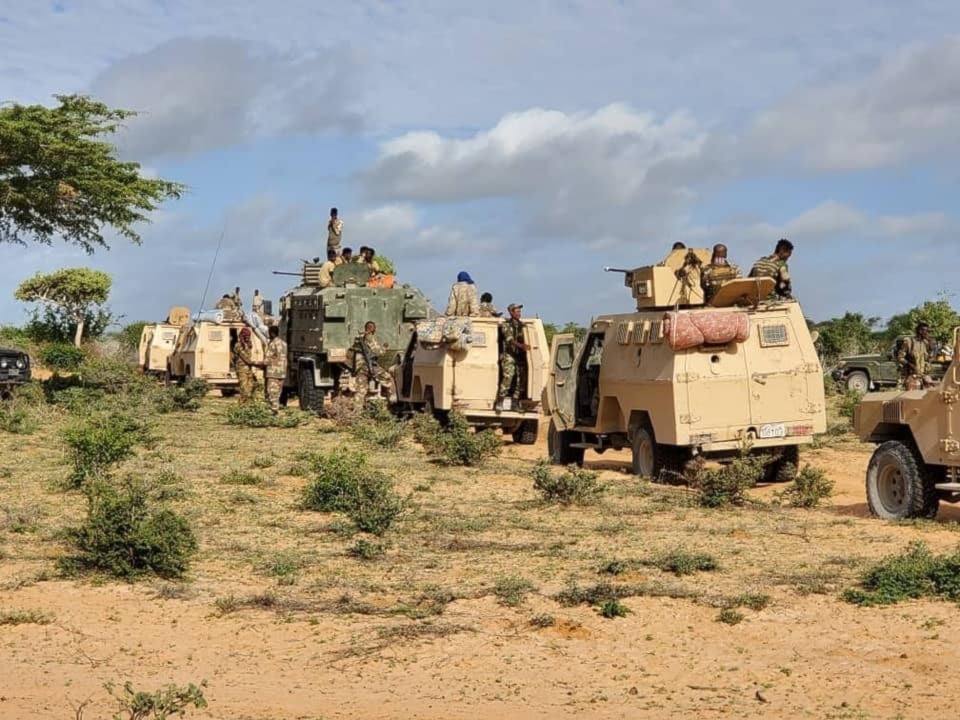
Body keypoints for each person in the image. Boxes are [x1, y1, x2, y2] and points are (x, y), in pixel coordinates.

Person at [352, 321, 395, 408]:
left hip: (360, 368)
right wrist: (384, 347)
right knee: (388, 380)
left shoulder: (360, 339)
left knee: (360, 391)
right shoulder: (369, 338)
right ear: (372, 329)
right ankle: (393, 403)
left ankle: (356, 413)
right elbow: (378, 352)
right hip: (370, 366)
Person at [497, 303, 529, 409]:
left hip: (520, 356)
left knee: (521, 380)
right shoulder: (506, 325)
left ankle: (515, 402)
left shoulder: (522, 326)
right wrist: (521, 346)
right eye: (517, 311)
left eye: (520, 311)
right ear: (511, 312)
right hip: (509, 355)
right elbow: (509, 340)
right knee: (508, 377)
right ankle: (500, 400)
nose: (519, 313)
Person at [256, 325, 287, 414]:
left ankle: (273, 411)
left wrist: (255, 363)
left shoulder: (272, 344)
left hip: (272, 373)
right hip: (282, 372)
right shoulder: (284, 344)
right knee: (278, 393)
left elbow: (267, 361)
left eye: (269, 333)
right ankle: (276, 409)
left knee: (271, 392)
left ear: (272, 333)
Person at [897, 322, 936, 390]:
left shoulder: (925, 343)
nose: (927, 334)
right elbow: (900, 357)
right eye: (926, 331)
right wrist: (910, 365)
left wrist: (930, 346)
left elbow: (929, 358)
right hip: (912, 376)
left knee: (929, 395)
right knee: (912, 397)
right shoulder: (909, 342)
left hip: (924, 375)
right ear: (920, 331)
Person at [232, 327, 256, 404]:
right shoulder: (238, 345)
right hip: (241, 370)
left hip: (248, 370)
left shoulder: (247, 344)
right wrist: (256, 363)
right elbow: (245, 357)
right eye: (246, 336)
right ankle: (242, 407)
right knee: (244, 389)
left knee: (250, 388)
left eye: (249, 336)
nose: (248, 337)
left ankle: (247, 405)